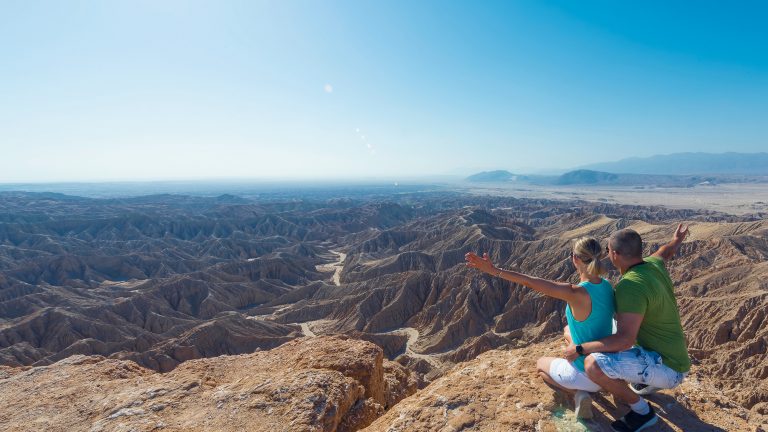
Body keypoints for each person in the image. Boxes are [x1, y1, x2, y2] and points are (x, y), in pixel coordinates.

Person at [465, 237, 614, 420]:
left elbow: (530, 282)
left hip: (586, 375)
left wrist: (494, 271)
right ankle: (587, 382)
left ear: (575, 259)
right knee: (567, 330)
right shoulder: (607, 286)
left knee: (541, 365)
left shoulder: (576, 292)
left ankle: (578, 394)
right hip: (607, 368)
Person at [564, 224, 691, 432]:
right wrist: (676, 240)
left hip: (669, 367)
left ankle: (642, 412)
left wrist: (580, 349)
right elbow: (665, 252)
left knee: (593, 364)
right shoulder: (652, 264)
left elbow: (625, 341)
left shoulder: (629, 286)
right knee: (610, 329)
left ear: (614, 254)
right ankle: (643, 382)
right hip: (674, 357)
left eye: (607, 251)